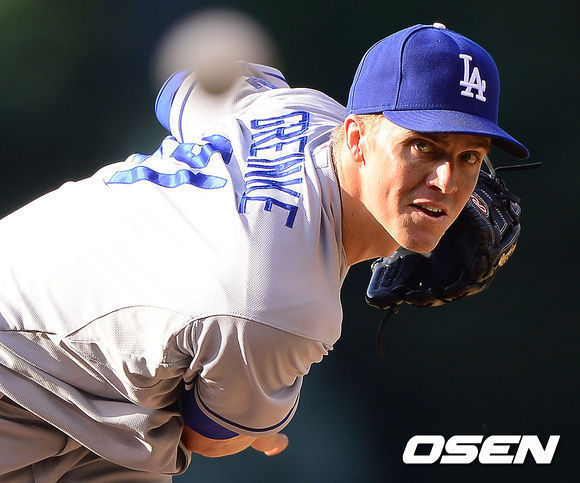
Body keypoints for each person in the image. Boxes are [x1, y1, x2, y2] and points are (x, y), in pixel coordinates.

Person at [0, 23, 528, 481]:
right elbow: (210, 437)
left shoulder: (296, 109)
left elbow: (182, 90)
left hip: (76, 369)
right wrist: (260, 420)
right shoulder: (285, 304)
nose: (447, 181)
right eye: (422, 146)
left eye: (468, 156)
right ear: (355, 138)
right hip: (18, 371)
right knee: (157, 432)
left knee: (143, 437)